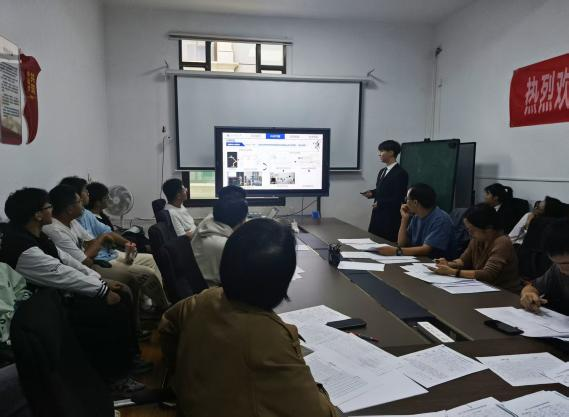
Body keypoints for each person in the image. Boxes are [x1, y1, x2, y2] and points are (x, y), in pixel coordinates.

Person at [159, 218, 337, 417]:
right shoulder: (270, 338)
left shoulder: (201, 300)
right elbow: (320, 413)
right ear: (283, 280)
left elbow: (166, 329)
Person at [0, 188, 144, 394]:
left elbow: (67, 261)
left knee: (119, 297)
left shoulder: (38, 236)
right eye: (48, 206)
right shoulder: (21, 246)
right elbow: (59, 273)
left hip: (55, 296)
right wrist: (102, 291)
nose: (52, 210)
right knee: (108, 311)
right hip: (38, 309)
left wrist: (100, 280)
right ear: (37, 214)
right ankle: (114, 378)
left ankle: (128, 361)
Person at [43, 184, 169, 323]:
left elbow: (91, 243)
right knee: (144, 274)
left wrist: (100, 244)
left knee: (150, 261)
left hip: (94, 261)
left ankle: (155, 307)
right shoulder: (55, 231)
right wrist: (101, 240)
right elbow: (85, 260)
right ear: (69, 209)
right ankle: (160, 311)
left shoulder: (72, 222)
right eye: (79, 201)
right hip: (86, 269)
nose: (83, 203)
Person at [431, 204, 521, 292]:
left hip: (504, 292)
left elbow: (488, 274)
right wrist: (447, 264)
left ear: (488, 229)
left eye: (472, 230)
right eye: (468, 230)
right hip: (482, 287)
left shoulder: (502, 242)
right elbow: (463, 261)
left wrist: (453, 272)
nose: (469, 233)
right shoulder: (477, 239)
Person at [376, 183, 454, 258]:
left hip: (433, 262)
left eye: (407, 199)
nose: (405, 202)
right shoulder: (417, 216)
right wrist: (404, 219)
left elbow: (425, 250)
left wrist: (396, 251)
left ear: (415, 202)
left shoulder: (441, 220)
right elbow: (401, 243)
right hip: (418, 259)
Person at [191, 193, 248, 287]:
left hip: (196, 282)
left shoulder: (207, 223)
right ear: (241, 221)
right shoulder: (225, 245)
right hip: (212, 289)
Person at [520, 218, 569, 315]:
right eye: (556, 263)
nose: (561, 270)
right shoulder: (557, 268)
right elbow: (532, 287)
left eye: (565, 264)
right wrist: (528, 295)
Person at [362, 140, 408, 242]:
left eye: (382, 151)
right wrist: (372, 193)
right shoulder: (382, 171)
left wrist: (381, 203)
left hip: (389, 217)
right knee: (373, 241)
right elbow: (382, 190)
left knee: (385, 243)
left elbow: (398, 197)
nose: (379, 154)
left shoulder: (400, 173)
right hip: (377, 215)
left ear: (391, 152)